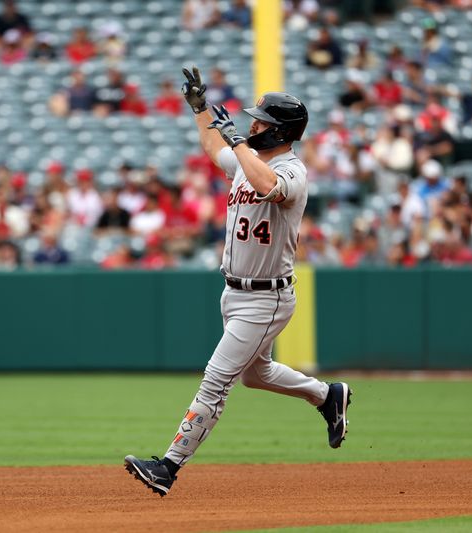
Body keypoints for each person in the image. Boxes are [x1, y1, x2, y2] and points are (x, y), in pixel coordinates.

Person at [124, 67, 352, 497]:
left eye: (261, 121)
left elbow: (269, 186)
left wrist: (241, 144)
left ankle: (167, 467)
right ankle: (327, 396)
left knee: (216, 379)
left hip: (267, 297)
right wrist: (199, 110)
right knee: (256, 374)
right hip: (233, 291)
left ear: (281, 131)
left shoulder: (291, 171)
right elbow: (215, 147)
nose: (252, 124)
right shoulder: (250, 158)